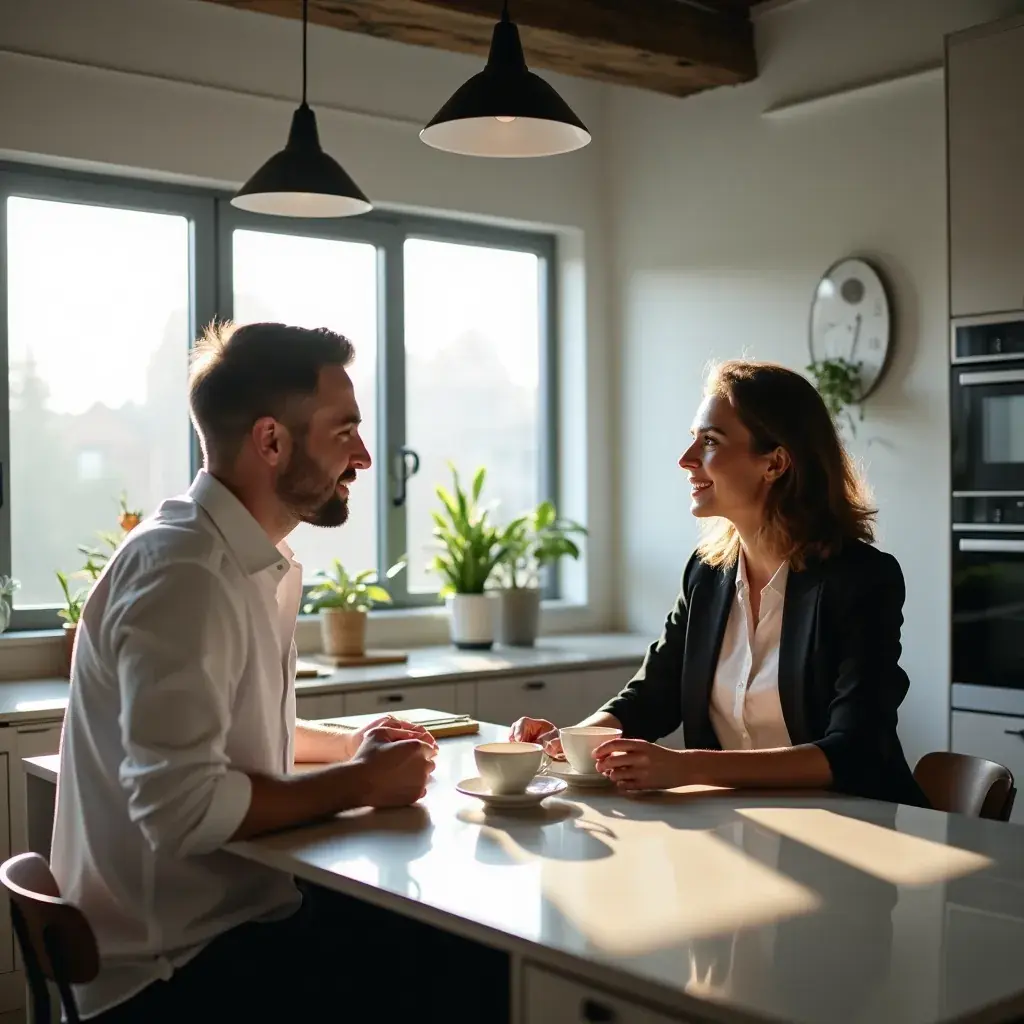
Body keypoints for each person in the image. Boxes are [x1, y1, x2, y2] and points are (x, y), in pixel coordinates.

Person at [51, 322, 445, 1021]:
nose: (363, 455)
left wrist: (355, 749)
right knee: (467, 965)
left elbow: (233, 733)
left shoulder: (243, 559)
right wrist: (360, 782)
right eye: (344, 430)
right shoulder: (186, 573)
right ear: (271, 441)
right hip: (173, 971)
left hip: (222, 928)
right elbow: (183, 810)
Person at [513, 359, 927, 808]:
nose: (686, 460)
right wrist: (569, 740)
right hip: (739, 824)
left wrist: (686, 766)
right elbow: (653, 694)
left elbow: (854, 751)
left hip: (859, 832)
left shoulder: (862, 579)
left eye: (710, 441)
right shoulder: (707, 574)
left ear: (776, 463)